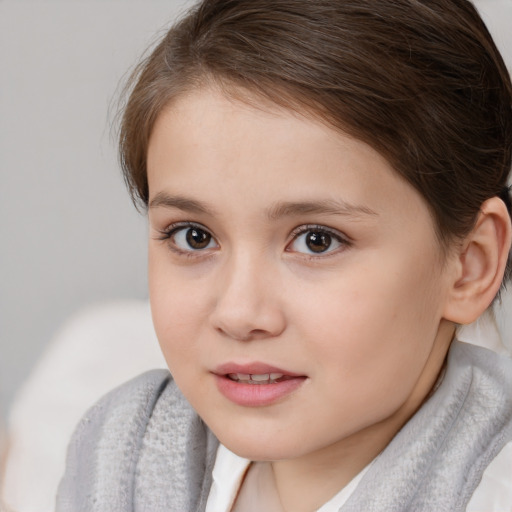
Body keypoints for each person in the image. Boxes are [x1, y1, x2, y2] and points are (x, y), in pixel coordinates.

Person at [56, 0, 512, 510]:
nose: (239, 313)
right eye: (194, 236)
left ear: (470, 266)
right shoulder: (117, 456)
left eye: (317, 240)